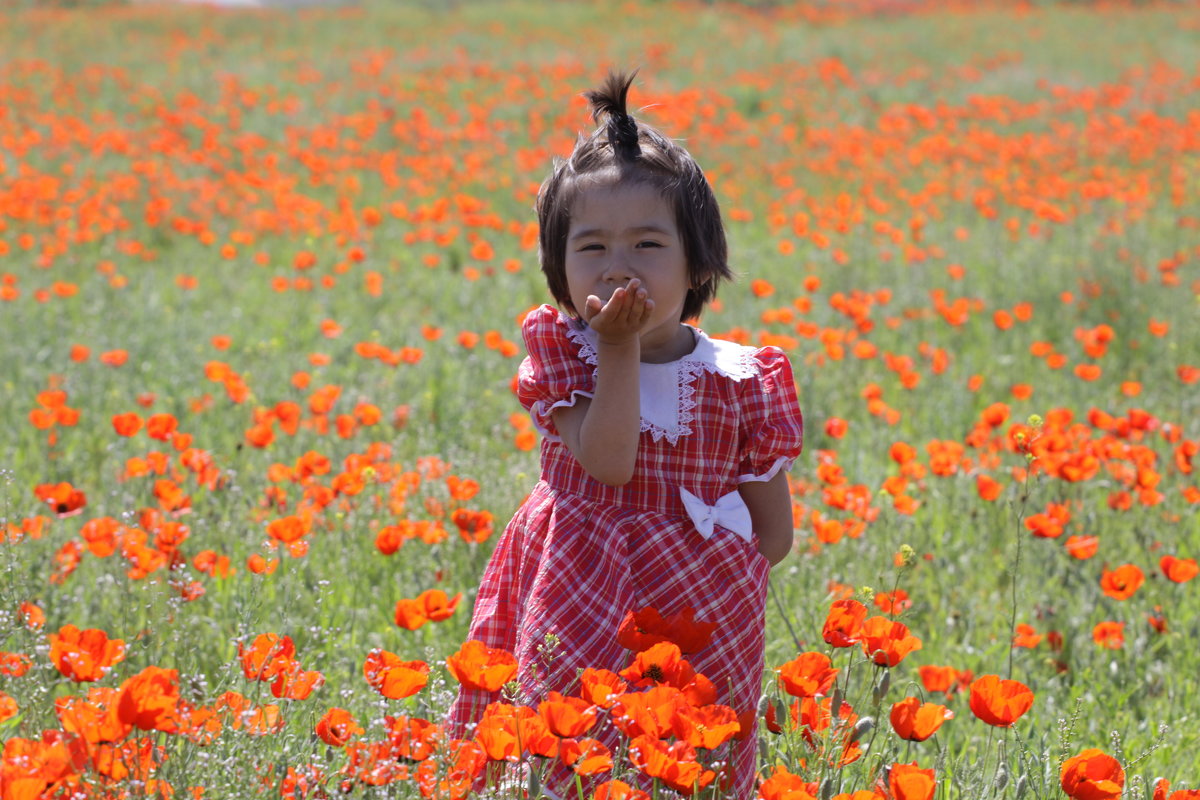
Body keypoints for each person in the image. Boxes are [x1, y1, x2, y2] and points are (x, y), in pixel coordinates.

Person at [447, 71, 803, 798]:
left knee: (685, 760)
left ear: (698, 262)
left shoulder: (742, 378)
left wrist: (709, 557)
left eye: (646, 244)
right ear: (558, 267)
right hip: (578, 585)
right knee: (573, 743)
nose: (616, 267)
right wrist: (618, 350)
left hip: (703, 606)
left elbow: (775, 536)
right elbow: (607, 465)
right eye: (591, 248)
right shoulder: (567, 356)